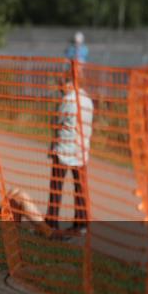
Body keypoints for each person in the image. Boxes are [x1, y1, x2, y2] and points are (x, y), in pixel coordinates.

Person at [46, 75, 94, 235]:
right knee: (80, 189)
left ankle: (51, 223)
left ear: (70, 83)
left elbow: (56, 121)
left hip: (64, 150)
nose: (61, 88)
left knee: (56, 188)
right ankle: (82, 224)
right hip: (81, 151)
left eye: (62, 84)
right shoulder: (88, 100)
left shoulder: (68, 100)